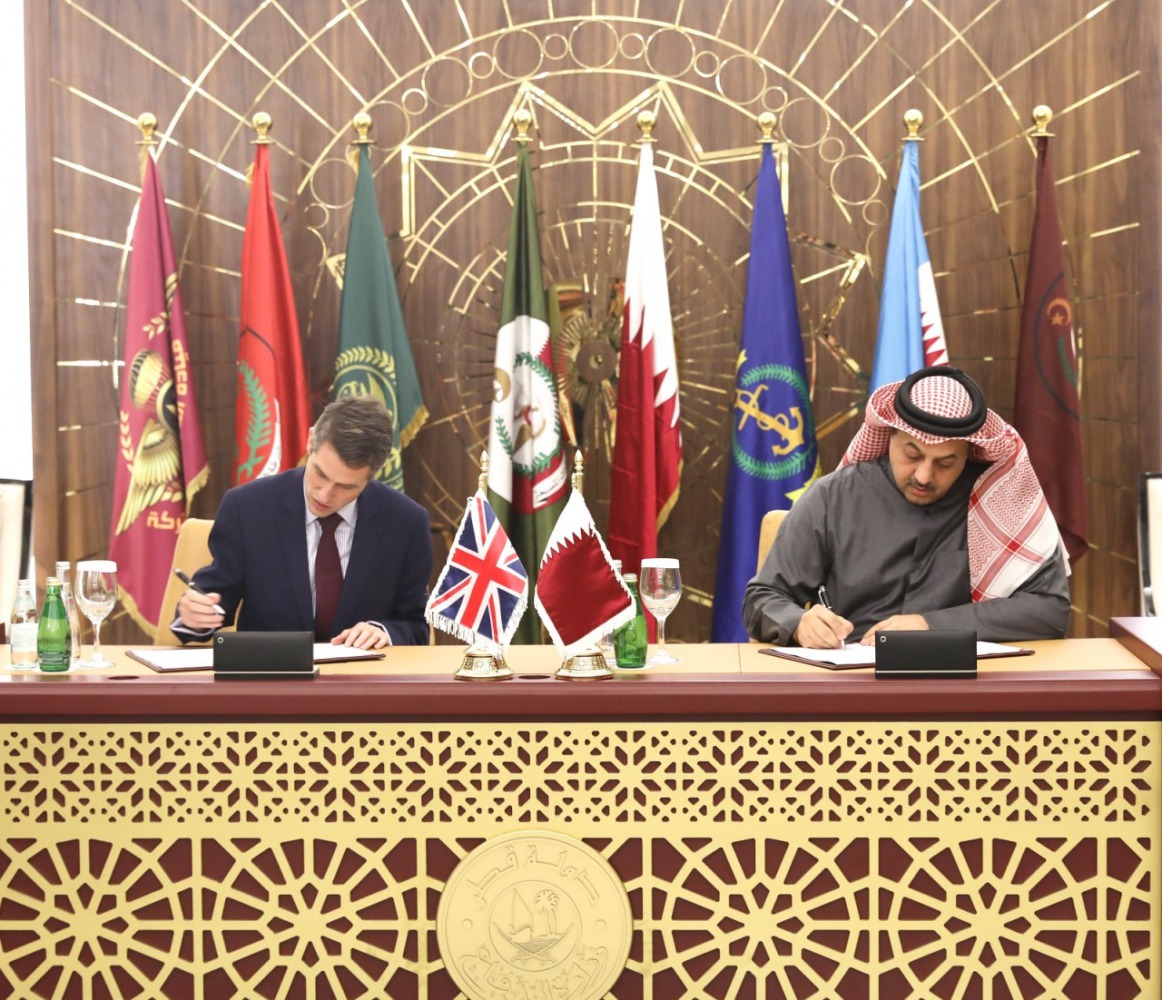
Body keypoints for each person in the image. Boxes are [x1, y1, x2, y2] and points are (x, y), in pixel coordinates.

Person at [743, 365, 1070, 648]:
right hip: (853, 687)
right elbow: (761, 599)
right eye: (912, 455)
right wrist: (799, 624)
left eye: (945, 463)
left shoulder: (1002, 500)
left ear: (969, 454)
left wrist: (930, 625)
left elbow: (1050, 612)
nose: (924, 476)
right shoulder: (833, 498)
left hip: (964, 687)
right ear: (889, 438)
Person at [174, 396, 431, 648]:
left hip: (363, 682)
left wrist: (384, 631)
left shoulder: (406, 523)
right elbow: (213, 601)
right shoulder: (248, 508)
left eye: (346, 487)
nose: (324, 495)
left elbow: (416, 625)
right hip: (273, 681)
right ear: (310, 442)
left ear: (374, 473)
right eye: (320, 473)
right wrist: (194, 616)